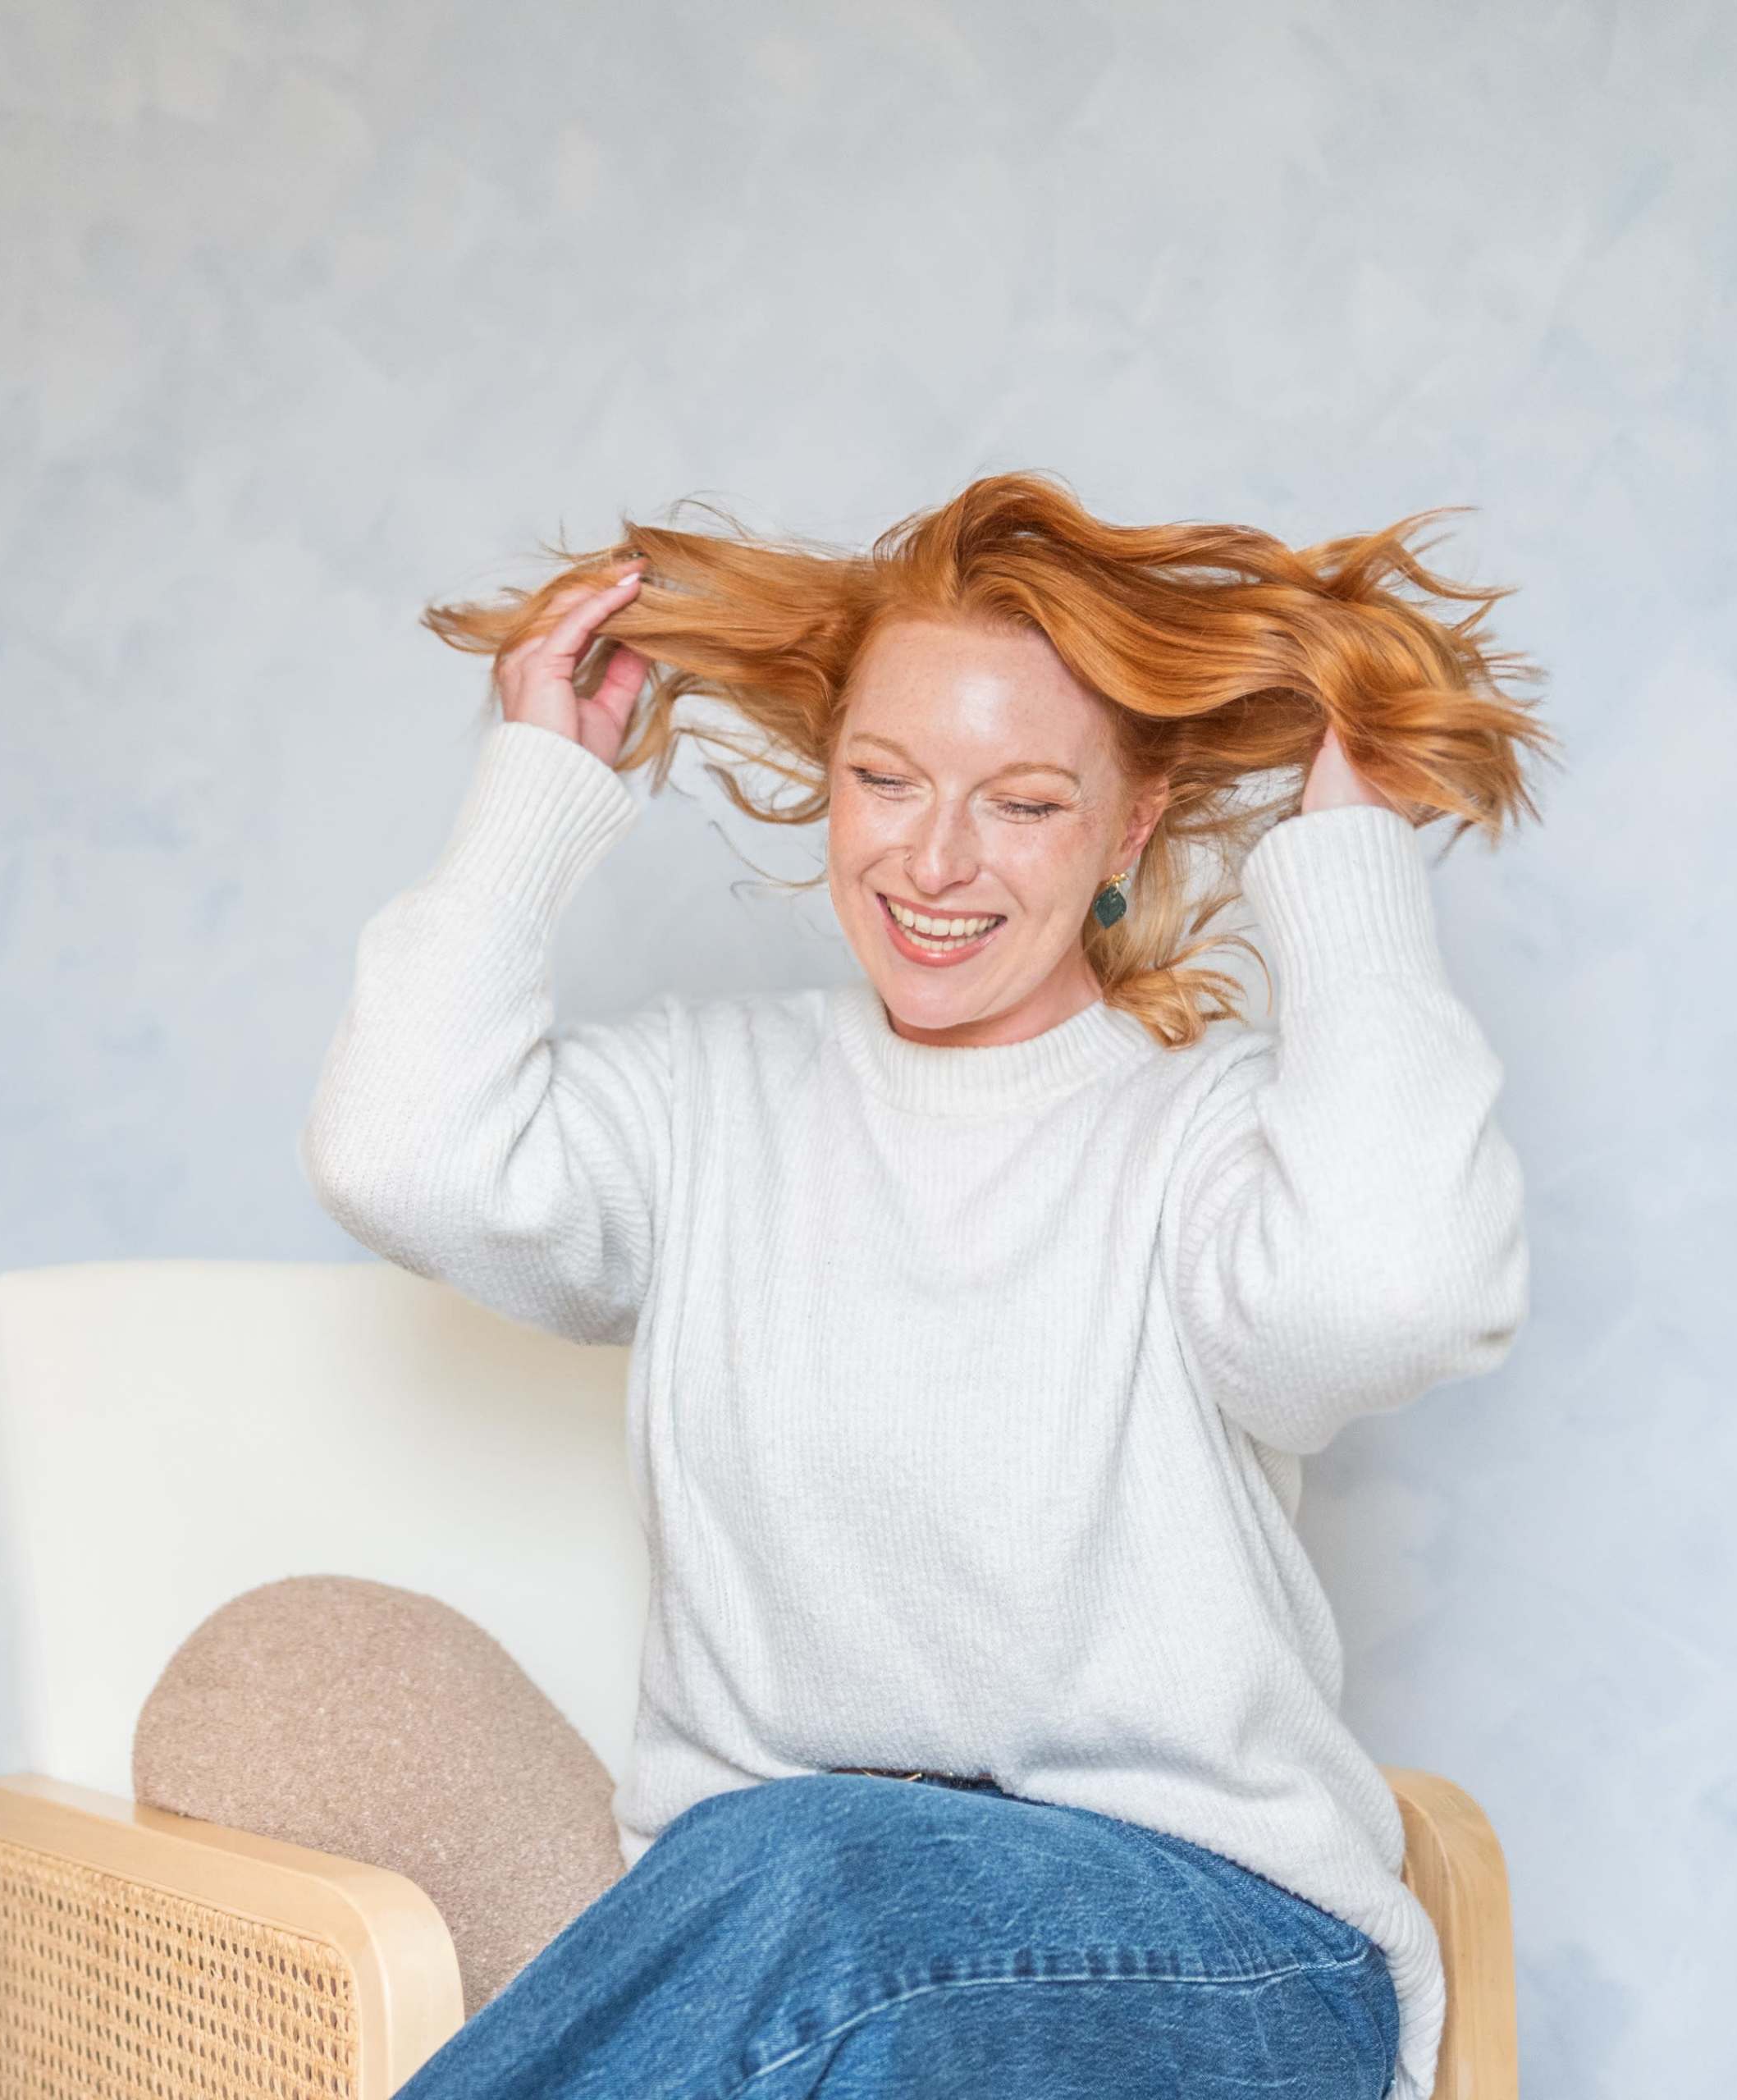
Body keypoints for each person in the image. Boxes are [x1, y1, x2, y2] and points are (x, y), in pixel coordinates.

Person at [299, 473, 1546, 2100]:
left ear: (1132, 820)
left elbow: (1392, 1293)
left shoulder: (1214, 1134)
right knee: (807, 1874)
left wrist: (1354, 853)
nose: (935, 860)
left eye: (1024, 802)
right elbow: (404, 1158)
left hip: (1216, 1950)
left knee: (826, 1873)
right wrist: (536, 782)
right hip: (801, 1944)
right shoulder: (704, 1101)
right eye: (885, 778)